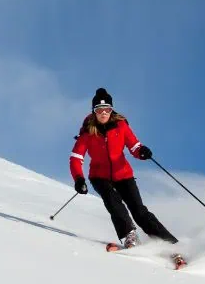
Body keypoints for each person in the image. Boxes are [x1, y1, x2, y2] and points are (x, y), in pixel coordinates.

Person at [69, 88, 179, 251]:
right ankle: (129, 235)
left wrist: (141, 151)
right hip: (99, 176)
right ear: (94, 112)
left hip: (123, 174)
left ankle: (168, 242)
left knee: (139, 211)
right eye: (99, 110)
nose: (103, 113)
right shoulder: (87, 132)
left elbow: (134, 146)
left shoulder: (121, 126)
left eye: (107, 109)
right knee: (114, 204)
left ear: (111, 110)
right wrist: (79, 178)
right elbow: (76, 158)